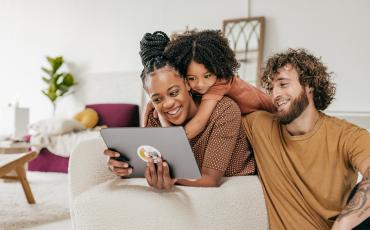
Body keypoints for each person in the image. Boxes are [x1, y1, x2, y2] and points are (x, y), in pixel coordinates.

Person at [104, 31, 256, 189]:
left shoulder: (224, 110)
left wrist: (172, 178)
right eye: (157, 99)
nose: (168, 104)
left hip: (234, 191)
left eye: (173, 93)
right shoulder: (154, 117)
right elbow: (150, 166)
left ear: (187, 83)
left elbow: (210, 180)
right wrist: (125, 168)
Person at [242, 48, 370, 229]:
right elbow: (227, 91)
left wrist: (344, 224)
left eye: (283, 84)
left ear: (309, 85)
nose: (275, 95)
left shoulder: (346, 135)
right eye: (271, 89)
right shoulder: (261, 126)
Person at [142, 30, 273, 139]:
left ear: (218, 68)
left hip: (271, 113)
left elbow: (197, 124)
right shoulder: (204, 85)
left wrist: (165, 124)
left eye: (207, 76)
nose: (200, 85)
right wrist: (152, 104)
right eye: (191, 78)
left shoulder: (219, 83)